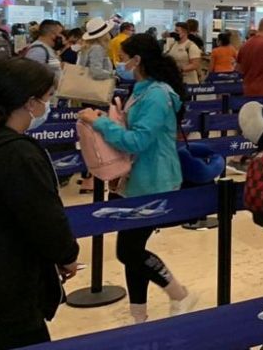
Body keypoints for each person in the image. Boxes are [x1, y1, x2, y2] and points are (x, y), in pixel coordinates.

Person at [77, 33, 197, 324]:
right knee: (132, 251)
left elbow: (138, 141)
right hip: (134, 180)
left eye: (123, 58)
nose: (120, 64)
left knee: (128, 250)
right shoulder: (142, 89)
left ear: (137, 60)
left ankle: (180, 293)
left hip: (153, 179)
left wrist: (101, 123)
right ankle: (138, 314)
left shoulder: (157, 95)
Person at [0, 58, 80, 349]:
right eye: (48, 98)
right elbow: (43, 217)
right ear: (30, 102)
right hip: (8, 283)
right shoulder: (18, 153)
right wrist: (66, 255)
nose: (48, 106)